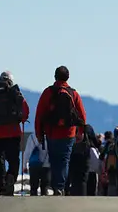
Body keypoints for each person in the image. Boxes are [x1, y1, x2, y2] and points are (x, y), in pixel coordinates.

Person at [34, 66, 87, 196]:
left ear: (55, 76)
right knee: (64, 160)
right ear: (68, 77)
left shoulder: (48, 92)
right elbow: (82, 115)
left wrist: (39, 134)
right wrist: (80, 132)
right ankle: (60, 186)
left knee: (54, 160)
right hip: (68, 133)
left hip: (51, 132)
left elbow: (39, 115)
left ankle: (56, 185)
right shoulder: (74, 94)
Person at [0, 71, 29, 196]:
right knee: (14, 159)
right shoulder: (15, 92)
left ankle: (1, 186)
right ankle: (11, 176)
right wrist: (22, 118)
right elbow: (25, 109)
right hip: (13, 131)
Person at [68, 124, 97, 196]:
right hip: (84, 153)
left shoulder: (71, 126)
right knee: (83, 179)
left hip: (72, 153)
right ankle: (81, 197)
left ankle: (72, 195)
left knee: (73, 178)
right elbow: (95, 141)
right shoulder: (87, 127)